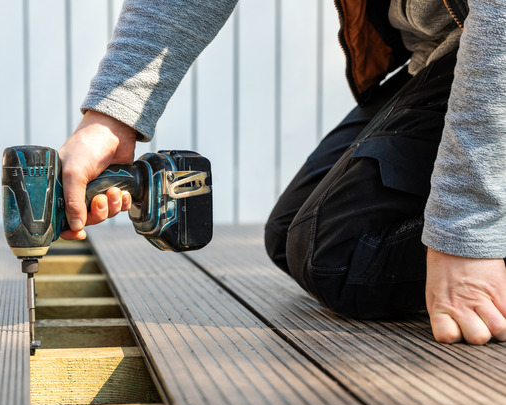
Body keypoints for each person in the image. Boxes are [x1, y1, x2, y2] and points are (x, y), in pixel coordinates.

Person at [57, 0, 506, 345]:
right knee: (292, 234)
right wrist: (110, 120)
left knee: (343, 257)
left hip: (492, 49)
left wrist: (467, 234)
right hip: (446, 55)